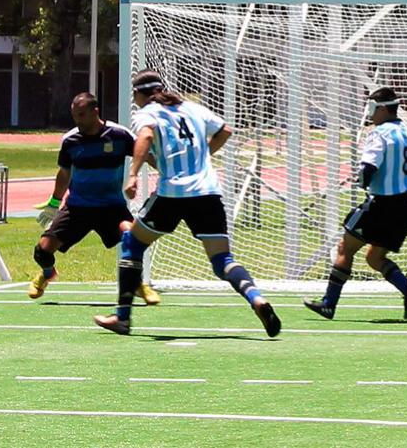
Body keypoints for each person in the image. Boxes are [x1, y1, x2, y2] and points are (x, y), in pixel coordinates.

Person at [94, 69, 281, 337]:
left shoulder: (147, 113)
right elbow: (225, 130)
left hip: (173, 194)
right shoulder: (192, 108)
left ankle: (122, 317)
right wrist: (204, 155)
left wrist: (133, 174)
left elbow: (145, 137)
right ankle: (256, 299)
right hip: (208, 193)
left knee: (132, 244)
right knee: (222, 260)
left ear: (139, 93)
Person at [29, 92, 160, 306]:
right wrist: (54, 204)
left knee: (132, 238)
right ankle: (47, 273)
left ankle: (138, 285)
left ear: (95, 111)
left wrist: (165, 172)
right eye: (74, 116)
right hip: (77, 208)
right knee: (42, 251)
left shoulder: (119, 135)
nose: (78, 120)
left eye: (81, 115)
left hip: (112, 207)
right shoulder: (70, 140)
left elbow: (143, 152)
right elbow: (64, 173)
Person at [304, 87, 407, 320]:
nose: (369, 114)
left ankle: (329, 303)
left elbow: (368, 170)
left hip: (381, 206)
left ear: (382, 108)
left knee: (344, 248)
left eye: (371, 108)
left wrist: (360, 178)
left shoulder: (379, 134)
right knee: (374, 258)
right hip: (405, 207)